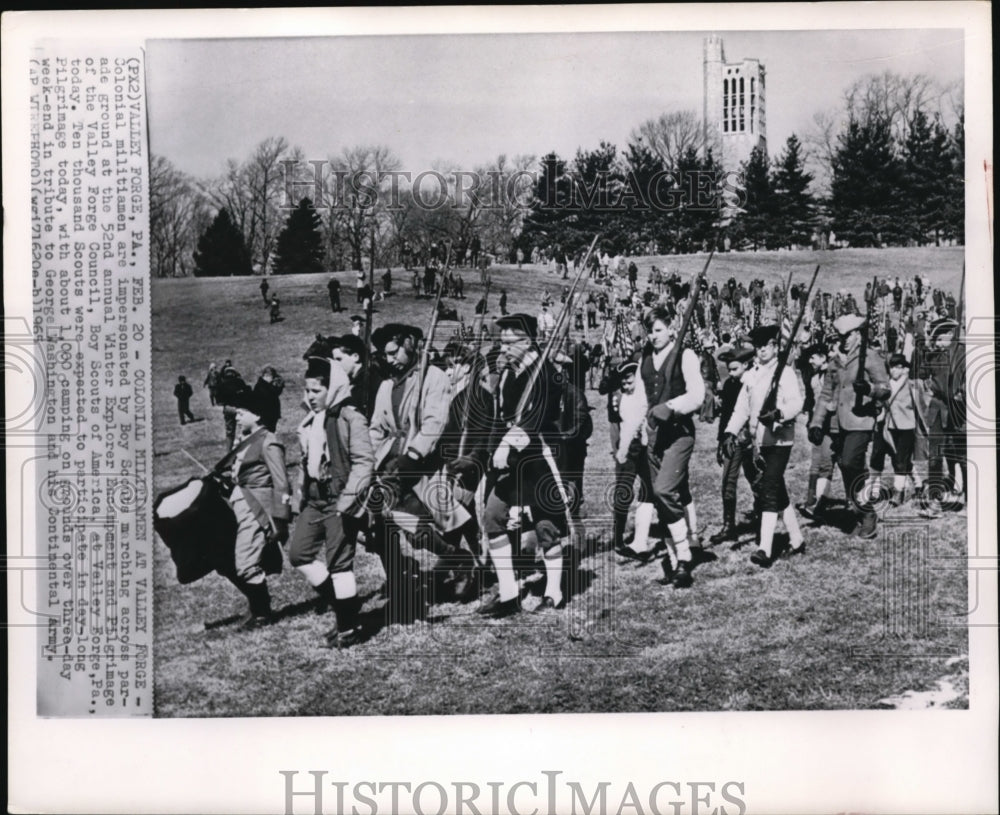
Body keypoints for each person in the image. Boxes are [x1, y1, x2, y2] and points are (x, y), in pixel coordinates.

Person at [368, 323, 475, 612]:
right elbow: (377, 426)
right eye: (385, 354)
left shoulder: (433, 377)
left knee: (410, 524)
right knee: (385, 521)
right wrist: (370, 457)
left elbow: (434, 422)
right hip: (389, 461)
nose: (390, 359)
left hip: (419, 464)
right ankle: (449, 561)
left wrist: (413, 455)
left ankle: (459, 560)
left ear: (410, 345)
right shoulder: (387, 385)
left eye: (394, 352)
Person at [479, 313, 569, 617]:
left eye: (508, 343)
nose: (502, 349)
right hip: (510, 461)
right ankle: (508, 591)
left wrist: (508, 445)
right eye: (501, 343)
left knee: (546, 526)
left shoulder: (546, 374)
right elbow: (501, 417)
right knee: (492, 515)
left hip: (540, 456)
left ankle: (554, 592)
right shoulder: (507, 374)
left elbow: (537, 418)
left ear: (527, 341)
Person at [290, 357, 374, 648]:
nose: (309, 397)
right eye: (307, 391)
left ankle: (349, 628)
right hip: (315, 500)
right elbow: (306, 463)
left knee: (339, 564)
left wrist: (347, 502)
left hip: (340, 500)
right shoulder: (312, 421)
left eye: (316, 391)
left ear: (333, 387)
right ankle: (345, 610)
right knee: (299, 554)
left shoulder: (351, 417)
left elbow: (364, 463)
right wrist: (297, 496)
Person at [722, 325, 805, 567]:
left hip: (780, 439)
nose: (762, 351)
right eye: (758, 347)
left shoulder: (785, 372)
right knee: (777, 490)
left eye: (766, 346)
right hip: (760, 441)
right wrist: (729, 432)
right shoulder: (752, 374)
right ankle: (797, 539)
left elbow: (797, 403)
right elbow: (742, 408)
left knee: (768, 487)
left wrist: (779, 414)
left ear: (775, 347)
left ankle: (765, 549)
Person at [639, 306, 706, 588]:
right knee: (661, 498)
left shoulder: (685, 355)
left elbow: (697, 396)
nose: (654, 336)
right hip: (654, 436)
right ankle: (676, 559)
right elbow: (644, 398)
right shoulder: (645, 358)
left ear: (670, 327)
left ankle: (685, 554)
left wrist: (671, 407)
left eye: (658, 330)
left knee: (664, 489)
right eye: (650, 331)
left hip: (678, 432)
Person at [808, 314, 890, 539]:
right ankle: (860, 511)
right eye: (839, 336)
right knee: (845, 464)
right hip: (838, 423)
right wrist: (816, 423)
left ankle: (867, 513)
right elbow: (826, 394)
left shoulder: (871, 357)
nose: (842, 340)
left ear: (857, 334)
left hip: (861, 420)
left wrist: (870, 390)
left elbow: (885, 388)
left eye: (847, 336)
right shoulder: (835, 361)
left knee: (851, 461)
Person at [221, 389, 292, 629]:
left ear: (258, 415)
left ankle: (262, 614)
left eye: (242, 413)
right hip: (242, 503)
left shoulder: (268, 441)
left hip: (257, 507)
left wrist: (281, 518)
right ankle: (258, 611)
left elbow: (281, 482)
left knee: (246, 562)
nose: (237, 418)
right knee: (242, 559)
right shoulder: (248, 439)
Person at [708, 347, 759, 545]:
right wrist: (722, 441)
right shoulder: (729, 385)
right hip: (733, 439)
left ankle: (761, 516)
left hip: (752, 439)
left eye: (734, 369)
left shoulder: (754, 383)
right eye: (728, 369)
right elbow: (726, 416)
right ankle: (728, 526)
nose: (730, 374)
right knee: (728, 481)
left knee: (756, 478)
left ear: (746, 365)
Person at [918, 317, 965, 513]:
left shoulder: (963, 353)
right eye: (934, 339)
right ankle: (934, 500)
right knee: (935, 456)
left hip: (958, 410)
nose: (936, 343)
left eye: (939, 338)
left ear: (948, 335)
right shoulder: (934, 356)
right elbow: (922, 374)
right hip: (937, 409)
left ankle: (968, 498)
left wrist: (961, 392)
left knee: (962, 455)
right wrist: (926, 352)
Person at [869, 353, 923, 507]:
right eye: (891, 367)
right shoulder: (886, 384)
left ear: (904, 368)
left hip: (906, 425)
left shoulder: (912, 384)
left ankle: (899, 492)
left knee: (901, 459)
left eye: (897, 367)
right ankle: (875, 490)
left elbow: (920, 405)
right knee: (881, 455)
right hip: (887, 424)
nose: (894, 370)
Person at [251, 366, 284, 433]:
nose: (273, 379)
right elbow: (272, 395)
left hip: (269, 415)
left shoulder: (264, 385)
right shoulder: (261, 386)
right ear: (266, 375)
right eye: (272, 377)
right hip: (265, 416)